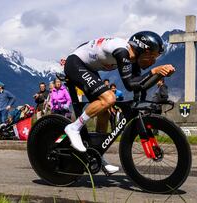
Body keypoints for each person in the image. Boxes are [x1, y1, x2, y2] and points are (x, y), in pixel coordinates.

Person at [63, 31, 175, 174]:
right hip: (75, 63)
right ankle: (74, 127)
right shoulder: (122, 52)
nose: (153, 61)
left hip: (88, 67)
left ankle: (96, 154)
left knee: (104, 111)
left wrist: (157, 75)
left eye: (156, 58)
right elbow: (129, 84)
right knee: (109, 99)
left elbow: (139, 85)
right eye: (152, 57)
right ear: (142, 50)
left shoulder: (133, 57)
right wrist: (154, 71)